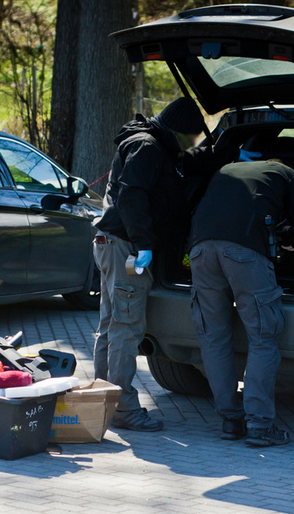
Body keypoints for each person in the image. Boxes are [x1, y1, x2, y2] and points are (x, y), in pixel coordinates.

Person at [93, 97, 237, 432]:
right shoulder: (147, 148)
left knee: (111, 324)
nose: (189, 144)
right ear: (175, 131)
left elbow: (185, 164)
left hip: (112, 243)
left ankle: (103, 400)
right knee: (125, 327)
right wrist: (144, 244)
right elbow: (132, 197)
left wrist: (223, 153)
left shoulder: (154, 144)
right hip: (126, 246)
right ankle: (124, 408)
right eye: (188, 137)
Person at [188, 158, 294, 446]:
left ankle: (230, 421)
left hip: (199, 249)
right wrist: (291, 243)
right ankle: (260, 425)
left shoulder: (224, 168)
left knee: (213, 337)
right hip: (245, 253)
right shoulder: (287, 172)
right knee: (262, 336)